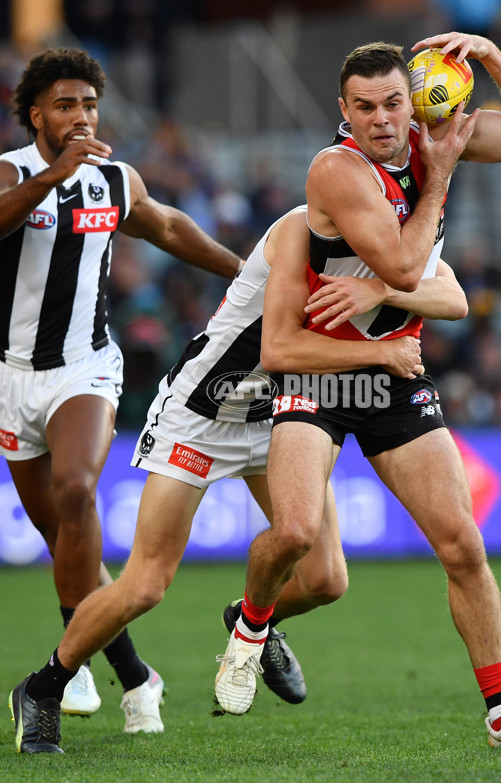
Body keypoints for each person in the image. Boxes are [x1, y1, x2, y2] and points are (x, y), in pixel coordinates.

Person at [214, 33, 501, 749]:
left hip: (392, 371)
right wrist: (439, 175)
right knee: (294, 533)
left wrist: (494, 57)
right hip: (318, 367)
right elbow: (410, 270)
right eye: (365, 107)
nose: (382, 119)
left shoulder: (426, 138)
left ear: (414, 102)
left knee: (463, 544)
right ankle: (250, 623)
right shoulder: (337, 170)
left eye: (394, 104)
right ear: (343, 110)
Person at [7, 201, 468, 753]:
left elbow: (453, 296)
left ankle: (250, 618)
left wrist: (390, 292)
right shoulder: (302, 232)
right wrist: (384, 350)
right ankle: (43, 687)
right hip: (204, 412)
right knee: (147, 583)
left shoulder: (385, 247)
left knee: (326, 580)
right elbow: (280, 349)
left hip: (280, 412)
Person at [0, 47, 242, 734]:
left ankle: (62, 670)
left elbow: (166, 226)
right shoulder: (12, 174)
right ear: (36, 113)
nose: (81, 116)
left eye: (90, 104)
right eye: (66, 105)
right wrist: (52, 176)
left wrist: (246, 274)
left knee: (77, 491)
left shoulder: (113, 179)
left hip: (87, 369)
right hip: (13, 376)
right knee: (62, 537)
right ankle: (137, 675)